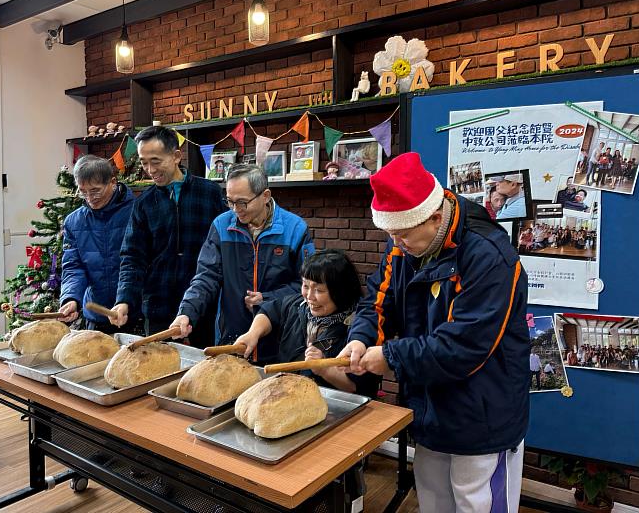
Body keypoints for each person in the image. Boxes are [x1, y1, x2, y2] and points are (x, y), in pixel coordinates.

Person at [338, 152, 529, 513]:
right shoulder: (404, 245)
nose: (395, 243)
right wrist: (361, 338)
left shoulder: (489, 256)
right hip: (430, 405)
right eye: (391, 234)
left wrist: (390, 357)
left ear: (436, 217)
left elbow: (464, 345)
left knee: (479, 503)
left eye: (403, 234)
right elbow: (376, 302)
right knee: (434, 501)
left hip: (484, 411)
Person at [170, 164, 315, 346]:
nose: (235, 209)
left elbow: (307, 285)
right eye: (230, 201)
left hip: (280, 337)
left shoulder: (295, 228)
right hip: (231, 335)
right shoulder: (221, 226)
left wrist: (267, 299)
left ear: (265, 196)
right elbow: (206, 276)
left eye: (242, 202)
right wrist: (186, 312)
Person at [113, 126, 227, 341]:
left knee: (203, 370)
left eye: (155, 161)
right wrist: (124, 299)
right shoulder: (143, 203)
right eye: (143, 162)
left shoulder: (209, 192)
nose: (150, 169)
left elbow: (225, 247)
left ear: (176, 156)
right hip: (159, 305)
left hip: (204, 304)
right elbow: (132, 257)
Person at [234, 249, 378, 395]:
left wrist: (326, 370)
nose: (309, 297)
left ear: (341, 291)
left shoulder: (361, 327)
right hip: (287, 396)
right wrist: (253, 334)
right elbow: (270, 312)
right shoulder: (298, 305)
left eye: (319, 290)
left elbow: (358, 388)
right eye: (305, 286)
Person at [58, 156, 139, 333]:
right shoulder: (73, 221)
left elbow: (142, 263)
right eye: (83, 191)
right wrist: (71, 298)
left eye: (95, 191)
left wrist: (126, 300)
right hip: (96, 315)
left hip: (136, 312)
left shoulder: (138, 212)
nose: (89, 198)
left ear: (112, 182)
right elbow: (73, 266)